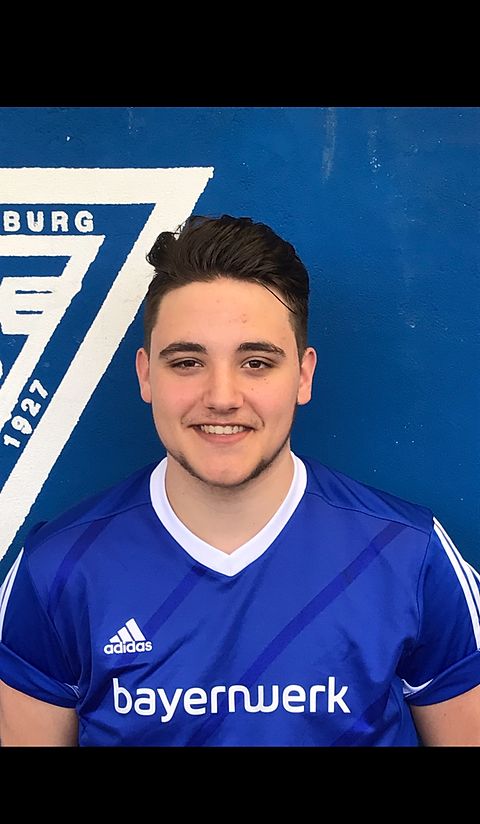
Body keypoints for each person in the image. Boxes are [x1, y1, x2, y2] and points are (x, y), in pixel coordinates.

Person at [0, 214, 479, 748]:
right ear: (146, 374)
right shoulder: (56, 570)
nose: (222, 397)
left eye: (256, 362)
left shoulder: (409, 554)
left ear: (303, 376)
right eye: (187, 362)